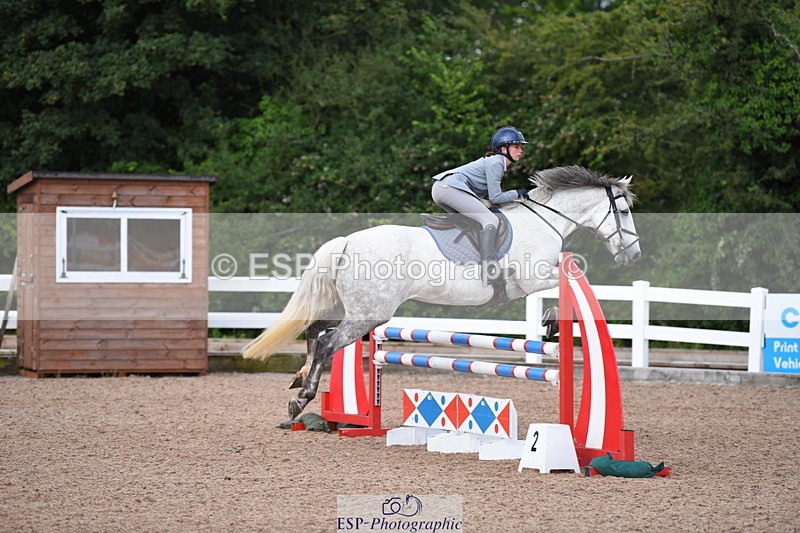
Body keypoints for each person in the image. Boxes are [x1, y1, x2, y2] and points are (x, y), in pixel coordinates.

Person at [431, 126, 529, 287]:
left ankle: (466, 264)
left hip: (441, 189)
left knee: (475, 223)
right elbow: (496, 197)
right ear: (503, 149)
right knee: (490, 219)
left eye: (521, 147)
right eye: (517, 146)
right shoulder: (497, 162)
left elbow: (489, 198)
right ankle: (489, 268)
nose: (521, 151)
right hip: (449, 188)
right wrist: (518, 193)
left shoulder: (494, 163)